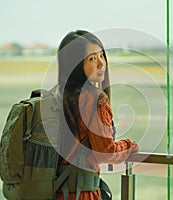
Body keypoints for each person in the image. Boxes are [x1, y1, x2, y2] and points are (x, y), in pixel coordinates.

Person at [56, 30, 139, 200]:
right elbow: (105, 152)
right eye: (92, 59)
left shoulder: (56, 96)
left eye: (102, 55)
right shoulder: (94, 99)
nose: (102, 64)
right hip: (82, 193)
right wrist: (129, 146)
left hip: (54, 191)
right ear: (75, 64)